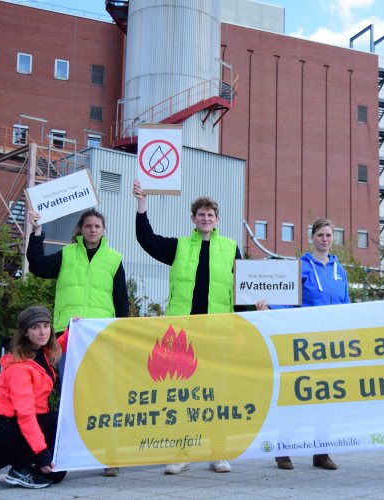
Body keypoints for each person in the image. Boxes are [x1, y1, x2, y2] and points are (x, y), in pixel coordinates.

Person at [134, 180, 240, 474]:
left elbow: (242, 289)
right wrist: (142, 205)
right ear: (193, 219)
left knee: (217, 394)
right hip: (183, 335)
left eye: (211, 214)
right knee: (183, 395)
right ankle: (181, 452)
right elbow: (147, 240)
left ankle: (218, 452)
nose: (206, 218)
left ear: (217, 220)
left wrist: (255, 312)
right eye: (200, 214)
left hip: (218, 332)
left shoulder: (231, 248)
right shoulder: (179, 246)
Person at [26, 208, 129, 477]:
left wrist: (124, 334)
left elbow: (122, 302)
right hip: (67, 334)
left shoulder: (114, 259)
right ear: (80, 229)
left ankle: (109, 456)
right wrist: (37, 232)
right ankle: (64, 454)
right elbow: (37, 267)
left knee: (104, 396)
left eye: (97, 226)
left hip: (101, 336)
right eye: (88, 225)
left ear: (103, 230)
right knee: (67, 396)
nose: (93, 230)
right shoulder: (66, 255)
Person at [257, 218, 349, 471]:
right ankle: (282, 449)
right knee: (300, 396)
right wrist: (269, 307)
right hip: (307, 343)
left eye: (329, 235)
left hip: (331, 345)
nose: (325, 239)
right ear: (312, 238)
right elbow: (287, 300)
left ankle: (321, 452)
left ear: (333, 239)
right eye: (320, 234)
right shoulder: (301, 267)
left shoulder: (340, 271)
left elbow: (346, 305)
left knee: (327, 398)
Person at [0, 306, 67, 488]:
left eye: (45, 325)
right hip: (6, 426)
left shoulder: (43, 351)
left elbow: (62, 344)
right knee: (44, 461)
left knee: (57, 474)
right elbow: (25, 415)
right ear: (26, 332)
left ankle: (0, 457)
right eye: (35, 328)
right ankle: (19, 469)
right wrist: (42, 454)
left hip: (28, 422)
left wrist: (74, 328)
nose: (42, 332)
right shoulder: (19, 367)